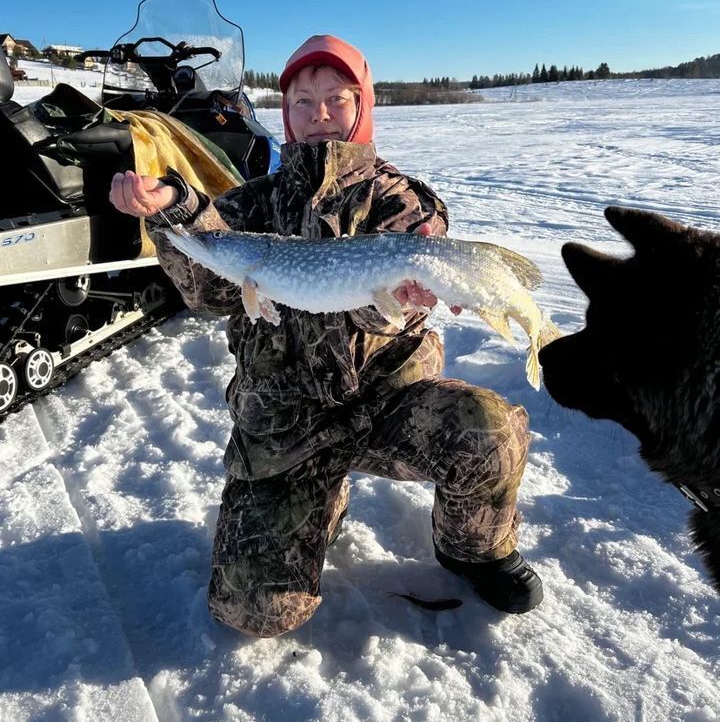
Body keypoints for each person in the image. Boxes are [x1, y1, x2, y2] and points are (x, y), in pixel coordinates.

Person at [109, 34, 543, 637]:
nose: (318, 115)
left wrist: (395, 309)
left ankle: (473, 549)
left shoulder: (402, 200)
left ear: (362, 107)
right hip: (286, 423)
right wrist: (174, 210)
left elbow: (388, 305)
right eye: (302, 102)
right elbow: (208, 288)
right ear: (283, 114)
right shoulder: (252, 205)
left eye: (336, 100)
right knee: (252, 611)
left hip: (390, 403)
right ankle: (316, 500)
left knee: (486, 431)